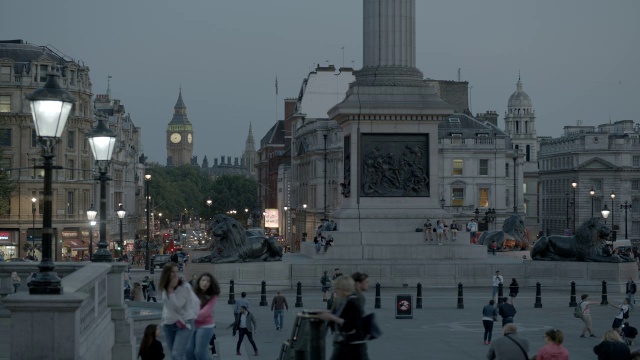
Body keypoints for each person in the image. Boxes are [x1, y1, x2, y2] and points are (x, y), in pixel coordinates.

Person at [317, 275, 368, 360]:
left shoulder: (352, 302)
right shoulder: (345, 300)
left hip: (353, 345)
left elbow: (352, 324)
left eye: (337, 288)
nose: (335, 291)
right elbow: (341, 314)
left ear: (343, 289)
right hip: (345, 343)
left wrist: (332, 317)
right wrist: (327, 313)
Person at [159, 262, 200, 360]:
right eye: (172, 272)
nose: (175, 274)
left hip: (185, 323)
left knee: (177, 355)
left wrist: (171, 290)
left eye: (177, 272)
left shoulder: (184, 287)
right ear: (166, 274)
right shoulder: (165, 287)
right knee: (174, 355)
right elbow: (167, 306)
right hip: (168, 324)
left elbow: (177, 307)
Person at [186, 272, 220, 360]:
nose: (205, 283)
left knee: (199, 352)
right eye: (203, 280)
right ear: (199, 282)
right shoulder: (194, 293)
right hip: (192, 325)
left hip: (205, 326)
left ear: (211, 284)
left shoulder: (213, 296)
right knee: (189, 351)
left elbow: (205, 312)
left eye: (208, 281)